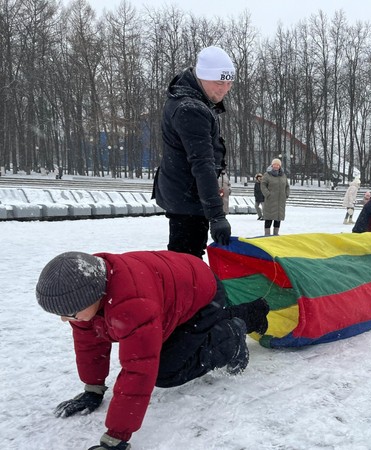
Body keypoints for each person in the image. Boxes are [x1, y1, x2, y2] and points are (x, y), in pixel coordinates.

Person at [36, 251, 269, 450]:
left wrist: (115, 438)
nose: (65, 320)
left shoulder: (132, 305)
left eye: (70, 314)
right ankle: (248, 313)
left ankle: (233, 335)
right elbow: (90, 343)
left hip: (201, 294)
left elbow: (139, 368)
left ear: (94, 296)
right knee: (175, 345)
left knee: (166, 371)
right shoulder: (87, 286)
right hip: (171, 293)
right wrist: (93, 389)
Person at [152, 46, 235, 259]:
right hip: (187, 197)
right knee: (186, 263)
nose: (225, 89)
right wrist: (216, 216)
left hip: (185, 194)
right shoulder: (191, 109)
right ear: (202, 77)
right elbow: (203, 164)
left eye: (229, 82)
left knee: (186, 261)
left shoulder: (189, 98)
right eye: (219, 82)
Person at [261, 158, 290, 236]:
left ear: (280, 166)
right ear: (272, 165)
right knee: (268, 218)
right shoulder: (267, 174)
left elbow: (287, 186)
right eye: (275, 164)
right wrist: (268, 194)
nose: (276, 166)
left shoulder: (283, 175)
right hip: (270, 200)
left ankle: (276, 234)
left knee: (278, 218)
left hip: (280, 200)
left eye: (278, 165)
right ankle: (267, 235)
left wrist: (286, 194)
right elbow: (263, 185)